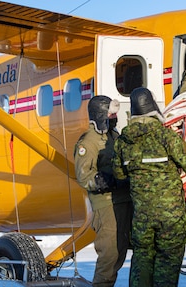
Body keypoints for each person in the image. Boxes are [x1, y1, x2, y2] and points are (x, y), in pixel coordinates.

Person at [112, 87, 186, 287]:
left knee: (142, 259)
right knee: (167, 261)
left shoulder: (123, 143)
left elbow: (119, 174)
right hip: (170, 216)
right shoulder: (166, 136)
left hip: (142, 217)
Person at [74, 95, 132, 287]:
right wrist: (104, 181)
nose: (114, 116)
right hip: (106, 204)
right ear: (100, 115)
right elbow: (83, 176)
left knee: (120, 252)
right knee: (109, 255)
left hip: (124, 201)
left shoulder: (114, 137)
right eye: (110, 113)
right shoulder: (88, 141)